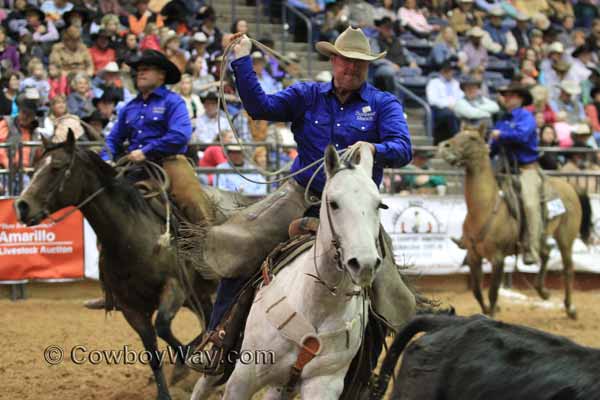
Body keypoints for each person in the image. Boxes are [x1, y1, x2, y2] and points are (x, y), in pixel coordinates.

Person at [188, 27, 415, 376]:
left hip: (353, 206)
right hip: (300, 193)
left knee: (386, 287)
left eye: (359, 63)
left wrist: (374, 148)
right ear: (334, 61)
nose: (351, 68)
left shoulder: (383, 104)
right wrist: (242, 60)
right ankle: (216, 338)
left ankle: (371, 368)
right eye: (346, 61)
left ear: (367, 68)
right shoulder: (307, 95)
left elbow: (403, 149)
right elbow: (260, 107)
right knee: (241, 248)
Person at [488, 83, 541, 264]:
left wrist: (500, 135)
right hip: (505, 170)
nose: (507, 98)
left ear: (520, 99)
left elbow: (522, 136)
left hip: (526, 170)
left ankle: (532, 248)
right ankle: (475, 241)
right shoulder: (502, 120)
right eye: (506, 95)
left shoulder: (526, 117)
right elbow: (493, 148)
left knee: (530, 204)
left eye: (511, 96)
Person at [426, 59, 463, 144]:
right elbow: (432, 100)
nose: (451, 73)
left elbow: (461, 96)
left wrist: (455, 105)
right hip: (439, 111)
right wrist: (448, 105)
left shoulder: (456, 83)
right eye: (449, 71)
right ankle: (457, 141)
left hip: (456, 108)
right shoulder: (434, 82)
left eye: (451, 71)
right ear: (443, 71)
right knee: (450, 114)